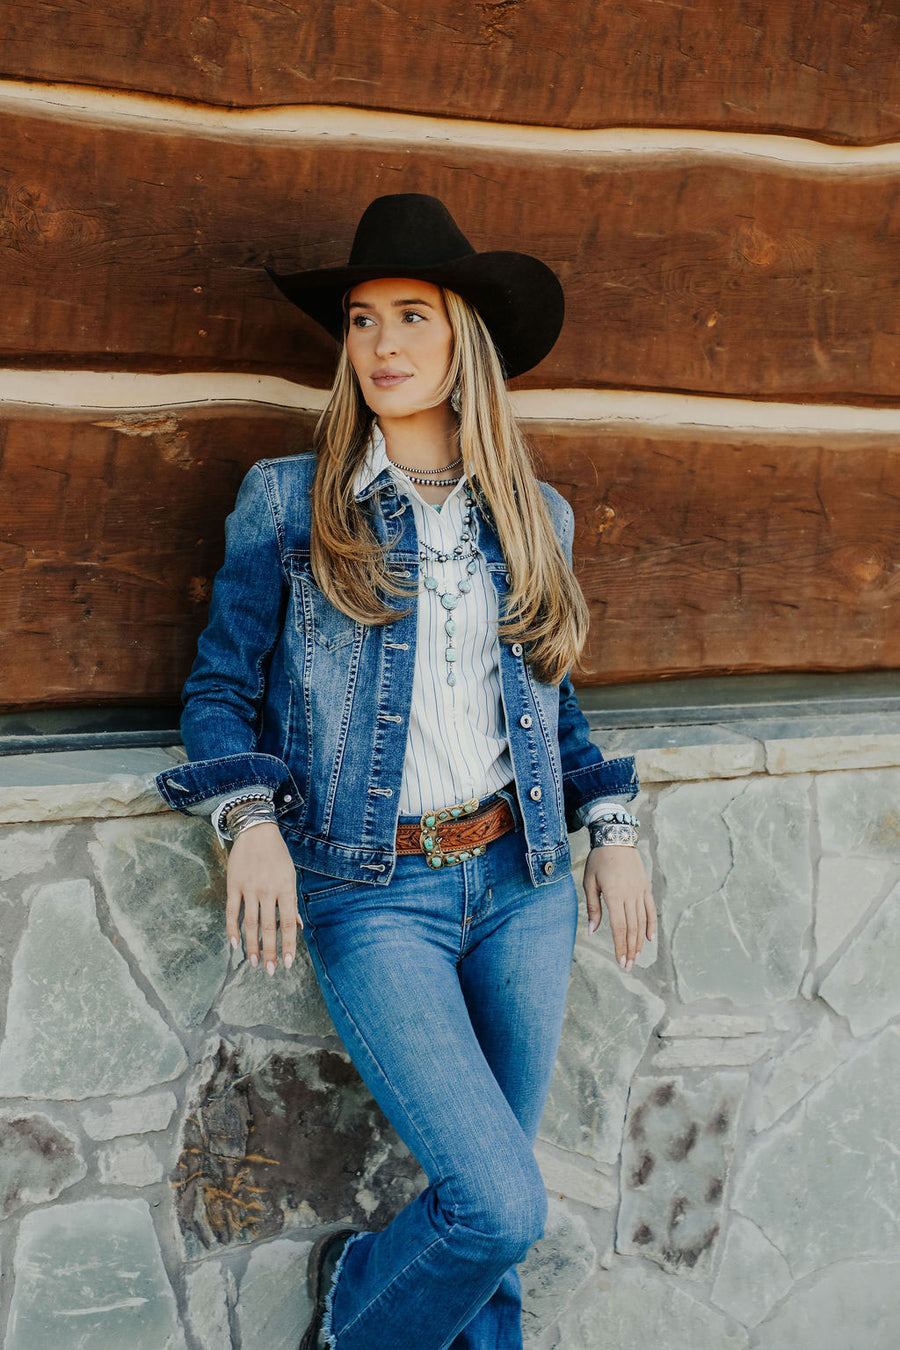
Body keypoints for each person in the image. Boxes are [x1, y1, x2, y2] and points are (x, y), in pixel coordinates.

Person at [156, 193, 656, 1350]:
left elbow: (555, 709)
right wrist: (250, 820)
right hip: (375, 897)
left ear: (462, 341)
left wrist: (614, 831)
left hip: (522, 887)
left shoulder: (540, 518)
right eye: (363, 321)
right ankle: (354, 1308)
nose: (382, 346)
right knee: (497, 1205)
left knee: (494, 1219)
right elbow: (220, 689)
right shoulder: (294, 503)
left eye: (412, 318)